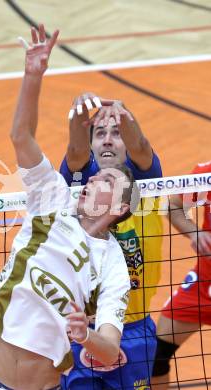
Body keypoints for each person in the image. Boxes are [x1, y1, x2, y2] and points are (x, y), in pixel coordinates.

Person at [0, 24, 135, 390]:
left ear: (121, 206)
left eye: (105, 182)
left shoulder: (112, 262)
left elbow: (108, 350)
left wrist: (85, 336)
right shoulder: (52, 200)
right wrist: (33, 75)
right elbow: (20, 137)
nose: (92, 180)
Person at [60, 93, 163, 389]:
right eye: (100, 134)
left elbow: (141, 146)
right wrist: (79, 113)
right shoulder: (84, 185)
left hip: (135, 330)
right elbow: (75, 149)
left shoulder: (143, 181)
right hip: (83, 330)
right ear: (92, 146)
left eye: (116, 133)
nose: (107, 140)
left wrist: (122, 111)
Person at [152, 161, 211, 389]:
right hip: (203, 283)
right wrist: (194, 232)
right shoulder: (207, 173)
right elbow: (173, 205)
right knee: (154, 357)